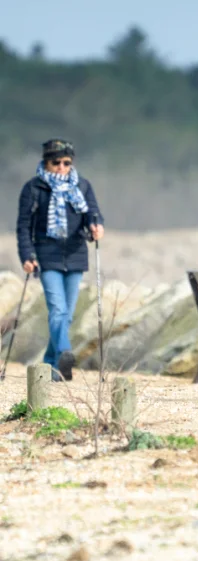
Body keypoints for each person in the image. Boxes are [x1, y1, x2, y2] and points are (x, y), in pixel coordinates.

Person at [16, 139, 105, 382]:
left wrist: (96, 226)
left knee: (67, 314)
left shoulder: (82, 186)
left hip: (76, 255)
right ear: (46, 162)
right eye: (56, 162)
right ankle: (65, 352)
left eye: (66, 162)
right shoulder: (33, 188)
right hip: (47, 256)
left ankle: (51, 365)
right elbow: (23, 227)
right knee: (57, 309)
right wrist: (27, 256)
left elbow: (92, 213)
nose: (62, 167)